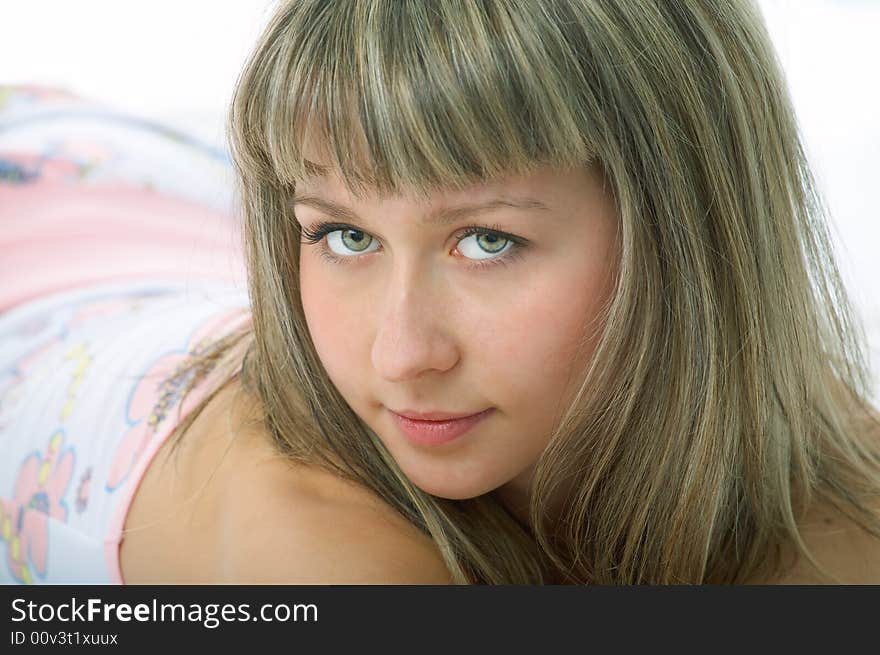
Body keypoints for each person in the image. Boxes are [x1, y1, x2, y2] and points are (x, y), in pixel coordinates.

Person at [3, 0, 880, 585]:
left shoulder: (822, 461)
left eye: (487, 241)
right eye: (341, 236)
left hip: (144, 198)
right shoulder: (315, 541)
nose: (402, 354)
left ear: (689, 232)